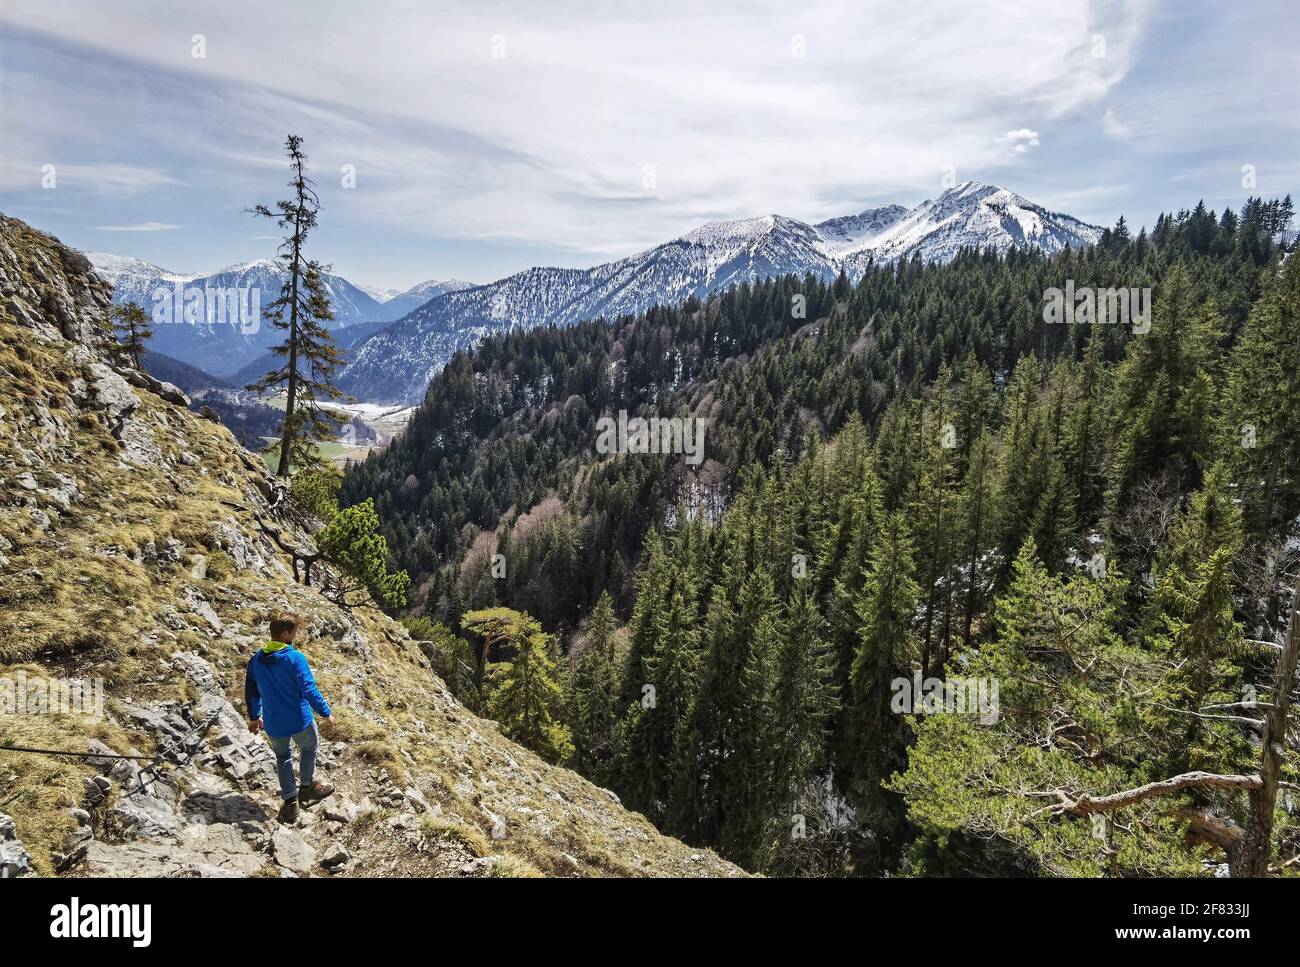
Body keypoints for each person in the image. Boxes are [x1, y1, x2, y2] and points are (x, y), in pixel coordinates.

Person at [245, 612, 335, 823]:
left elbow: (251, 690)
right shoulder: (295, 658)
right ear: (285, 634)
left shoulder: (256, 660)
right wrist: (325, 712)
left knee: (282, 757)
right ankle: (306, 787)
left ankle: (290, 802)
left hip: (274, 723)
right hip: (299, 720)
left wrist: (254, 716)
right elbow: (309, 689)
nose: (296, 635)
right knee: (308, 749)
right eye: (294, 632)